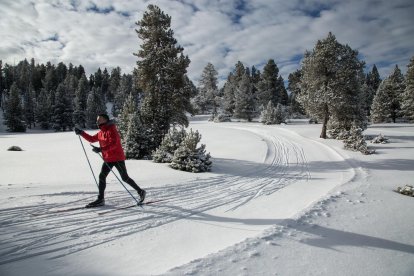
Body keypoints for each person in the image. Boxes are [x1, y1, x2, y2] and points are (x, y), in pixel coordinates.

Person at [74, 114, 146, 208]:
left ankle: (140, 191)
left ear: (106, 120)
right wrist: (81, 133)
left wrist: (101, 149)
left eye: (100, 119)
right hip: (108, 158)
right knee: (102, 176)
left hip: (117, 158)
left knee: (124, 177)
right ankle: (100, 199)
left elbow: (114, 144)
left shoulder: (112, 130)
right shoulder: (101, 132)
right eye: (97, 120)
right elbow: (91, 139)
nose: (98, 121)